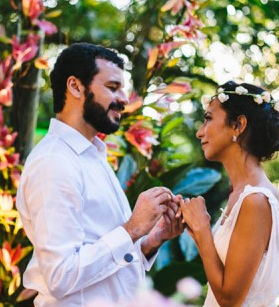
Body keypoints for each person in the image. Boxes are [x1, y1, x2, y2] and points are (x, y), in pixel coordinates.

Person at [16, 43, 184, 307]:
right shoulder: (54, 163)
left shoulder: (93, 157)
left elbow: (103, 264)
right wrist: (132, 229)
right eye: (113, 87)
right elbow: (61, 276)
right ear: (75, 87)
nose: (124, 98)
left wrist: (151, 240)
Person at [180, 81, 279, 307]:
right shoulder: (243, 196)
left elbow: (230, 300)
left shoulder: (257, 201)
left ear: (238, 125)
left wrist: (203, 230)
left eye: (209, 118)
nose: (200, 131)